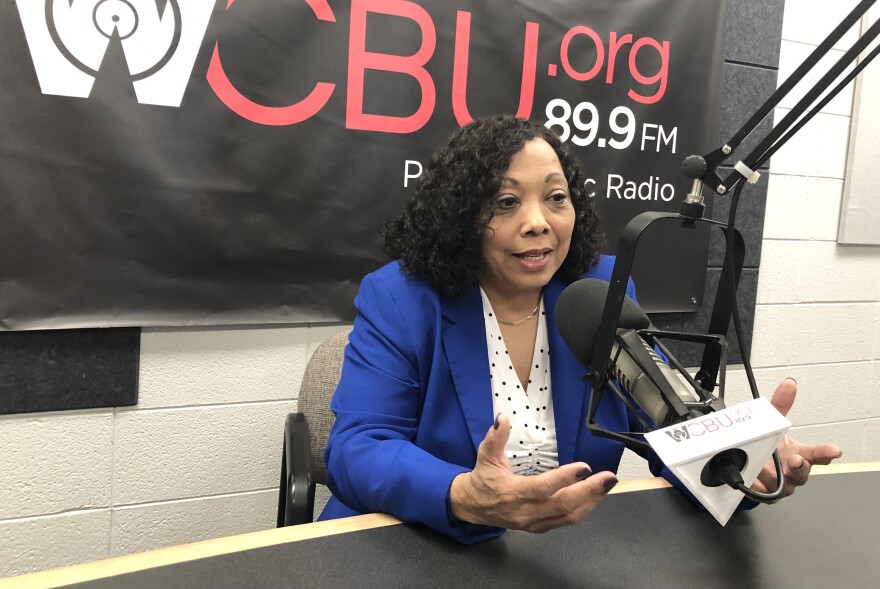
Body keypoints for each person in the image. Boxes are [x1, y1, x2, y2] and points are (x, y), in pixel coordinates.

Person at [319, 115, 842, 544]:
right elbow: (356, 448)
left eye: (555, 197)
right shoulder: (403, 298)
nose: (538, 221)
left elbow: (665, 422)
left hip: (557, 556)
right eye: (506, 202)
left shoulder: (600, 291)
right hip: (416, 544)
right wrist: (462, 495)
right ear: (460, 215)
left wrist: (740, 458)